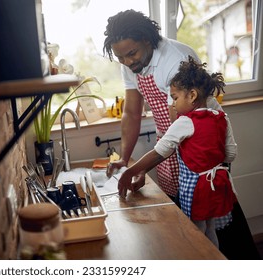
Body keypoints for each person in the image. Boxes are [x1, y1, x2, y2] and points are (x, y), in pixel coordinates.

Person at [103, 9, 260, 259]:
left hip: (200, 144)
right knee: (188, 216)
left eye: (131, 54)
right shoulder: (130, 60)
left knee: (219, 217)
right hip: (173, 138)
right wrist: (125, 158)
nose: (128, 62)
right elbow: (132, 113)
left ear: (147, 39)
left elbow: (179, 123)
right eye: (121, 57)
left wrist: (142, 167)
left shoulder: (174, 59)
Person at [118, 56, 237, 247]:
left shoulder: (185, 121)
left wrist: (130, 171)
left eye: (175, 98)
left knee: (196, 231)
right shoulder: (221, 117)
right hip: (218, 184)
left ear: (192, 95)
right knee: (211, 228)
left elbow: (159, 152)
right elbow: (230, 154)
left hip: (196, 188)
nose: (172, 104)